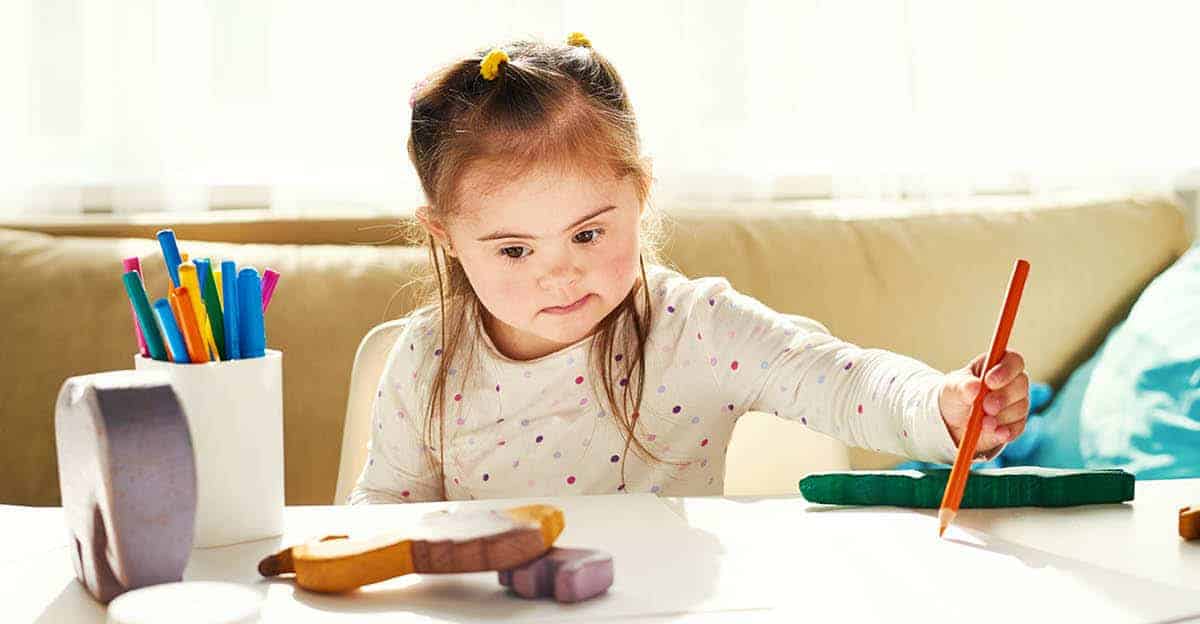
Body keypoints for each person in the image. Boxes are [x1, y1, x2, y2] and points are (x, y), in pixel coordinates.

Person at [349, 34, 1029, 504]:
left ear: (640, 193)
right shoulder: (426, 358)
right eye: (515, 250)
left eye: (587, 234)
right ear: (445, 237)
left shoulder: (695, 329)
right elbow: (382, 514)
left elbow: (844, 382)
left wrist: (942, 404)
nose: (560, 277)